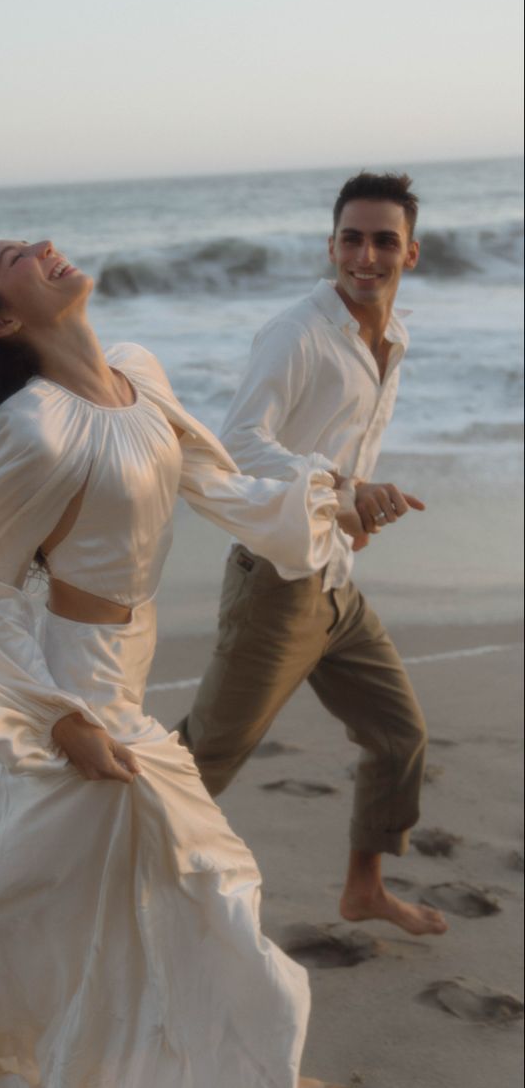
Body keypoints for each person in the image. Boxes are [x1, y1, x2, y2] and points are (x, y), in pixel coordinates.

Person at [0, 236, 354, 1088]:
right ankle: (243, 1066)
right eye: (15, 258)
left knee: (82, 882)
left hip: (129, 663)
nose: (44, 249)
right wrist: (56, 717)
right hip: (86, 681)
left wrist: (332, 507)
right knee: (191, 867)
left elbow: (219, 483)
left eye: (33, 240)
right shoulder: (36, 427)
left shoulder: (138, 376)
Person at [180, 173, 448, 938]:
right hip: (278, 587)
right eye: (353, 239)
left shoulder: (394, 337)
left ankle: (364, 888)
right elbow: (236, 445)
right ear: (330, 246)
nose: (367, 255)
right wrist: (345, 486)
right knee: (201, 764)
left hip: (336, 579)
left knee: (400, 736)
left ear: (411, 253)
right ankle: (90, 871)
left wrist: (353, 508)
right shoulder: (295, 333)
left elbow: (342, 450)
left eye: (384, 241)